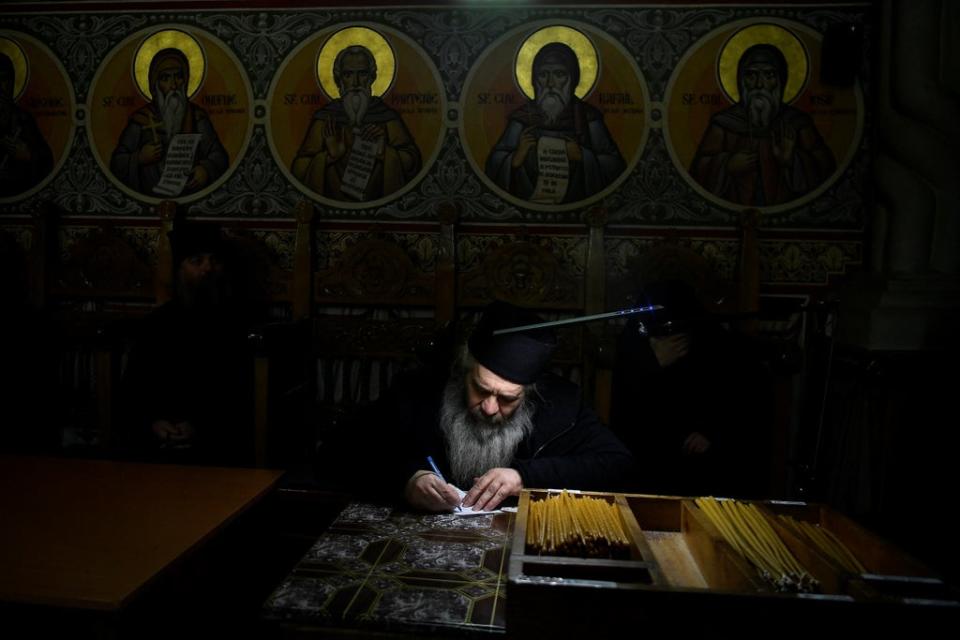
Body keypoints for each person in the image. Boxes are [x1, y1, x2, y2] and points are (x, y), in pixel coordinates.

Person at [376, 300, 636, 512]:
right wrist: (408, 478)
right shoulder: (418, 388)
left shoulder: (562, 404)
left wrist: (525, 477)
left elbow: (617, 464)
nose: (489, 408)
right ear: (465, 371)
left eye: (508, 399)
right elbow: (350, 447)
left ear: (529, 393)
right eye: (481, 389)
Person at [609, 280, 770, 497]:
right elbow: (624, 411)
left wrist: (713, 433)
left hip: (705, 461)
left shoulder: (716, 344)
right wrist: (651, 361)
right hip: (649, 455)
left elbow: (744, 397)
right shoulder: (634, 343)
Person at [118, 222, 254, 466]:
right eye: (197, 261)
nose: (208, 269)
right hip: (158, 437)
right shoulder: (156, 325)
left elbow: (239, 393)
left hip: (217, 440)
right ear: (180, 268)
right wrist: (154, 421)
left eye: (214, 261)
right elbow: (135, 386)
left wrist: (200, 425)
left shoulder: (239, 326)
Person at [690, 43, 836, 206]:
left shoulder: (797, 122)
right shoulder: (724, 123)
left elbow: (825, 170)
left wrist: (792, 160)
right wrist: (727, 164)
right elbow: (698, 171)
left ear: (781, 80)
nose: (760, 84)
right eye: (751, 75)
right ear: (740, 80)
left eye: (769, 75)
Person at [485, 42, 625, 204]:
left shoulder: (588, 118)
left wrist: (582, 157)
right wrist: (515, 158)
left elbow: (615, 168)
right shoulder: (522, 118)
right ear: (533, 80)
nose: (550, 84)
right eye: (543, 75)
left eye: (559, 74)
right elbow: (493, 166)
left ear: (573, 79)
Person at [291, 45, 422, 201]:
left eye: (362, 74)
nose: (355, 82)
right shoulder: (326, 119)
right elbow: (299, 169)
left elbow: (413, 163)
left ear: (372, 77)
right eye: (348, 74)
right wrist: (329, 157)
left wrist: (384, 153)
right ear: (338, 79)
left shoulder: (386, 117)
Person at [110, 48, 228, 197]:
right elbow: (116, 163)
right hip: (149, 199)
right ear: (155, 85)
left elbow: (219, 156)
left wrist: (206, 169)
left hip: (190, 194)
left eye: (178, 77)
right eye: (165, 78)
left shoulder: (197, 117)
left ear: (185, 81)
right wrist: (139, 157)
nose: (173, 86)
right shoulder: (141, 119)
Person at [0, 52, 53, 197]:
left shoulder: (23, 118)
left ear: (12, 82)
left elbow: (46, 161)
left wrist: (28, 155)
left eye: (4, 79)